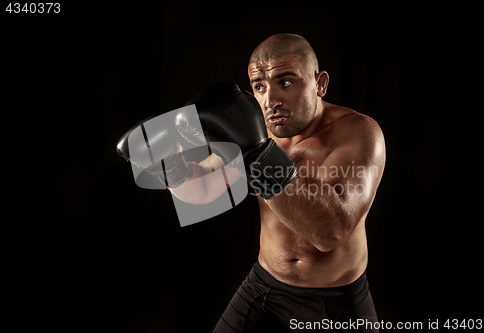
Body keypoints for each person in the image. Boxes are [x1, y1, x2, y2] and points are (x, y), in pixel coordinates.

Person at [118, 33, 386, 332]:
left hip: (336, 302)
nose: (270, 100)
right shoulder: (259, 131)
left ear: (320, 83)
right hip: (263, 287)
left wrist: (258, 156)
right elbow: (203, 190)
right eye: (259, 86)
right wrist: (170, 165)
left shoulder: (358, 133)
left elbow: (329, 232)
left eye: (285, 82)